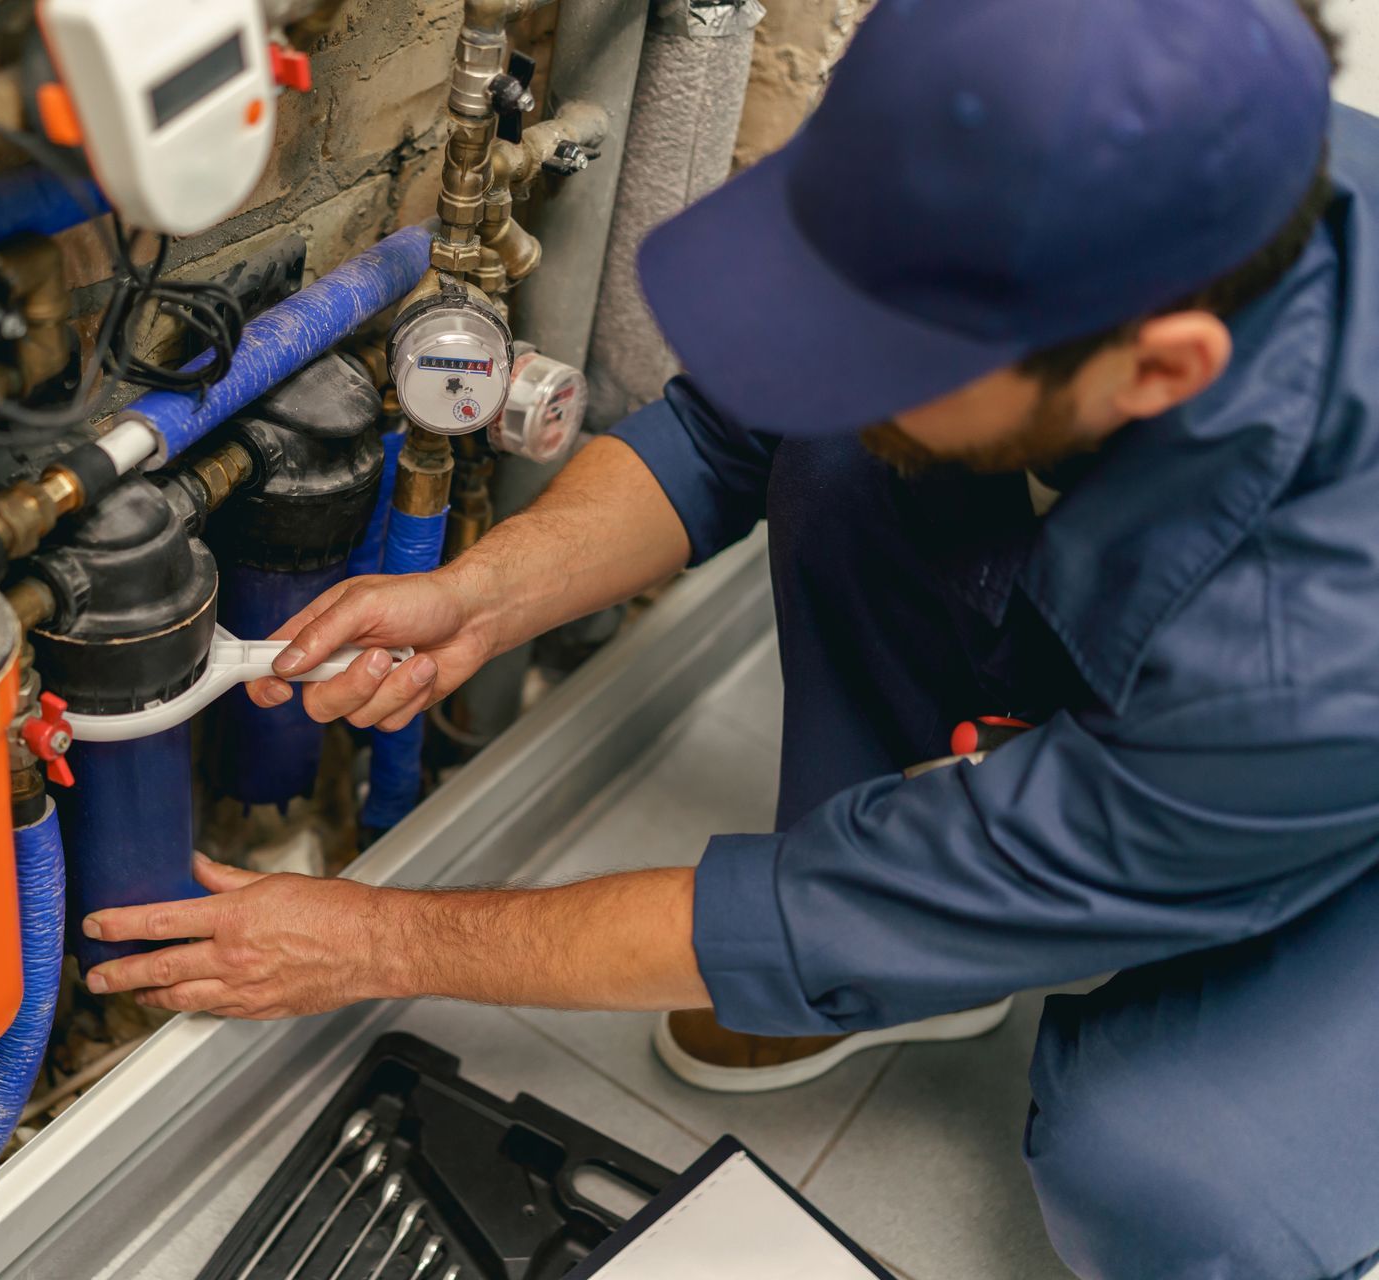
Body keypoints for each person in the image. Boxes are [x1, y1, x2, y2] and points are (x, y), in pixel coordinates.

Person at [80, 0, 1379, 1274]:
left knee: (1165, 1177)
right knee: (860, 429)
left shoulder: (1313, 650)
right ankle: (942, 955)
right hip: (1213, 683)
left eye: (898, 346)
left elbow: (836, 912)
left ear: (1158, 372)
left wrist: (378, 942)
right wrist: (481, 596)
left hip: (1339, 804)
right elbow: (725, 432)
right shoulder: (1114, 151)